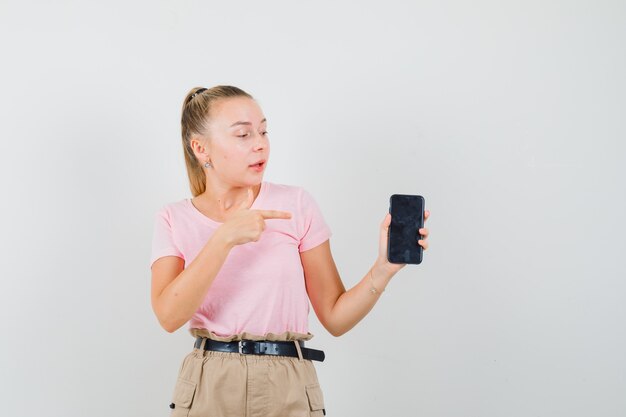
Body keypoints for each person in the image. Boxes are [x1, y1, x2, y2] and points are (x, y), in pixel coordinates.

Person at [150, 85, 430, 417]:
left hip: (288, 383)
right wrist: (223, 239)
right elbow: (168, 316)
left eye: (263, 131)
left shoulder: (295, 204)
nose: (260, 143)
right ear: (201, 149)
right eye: (243, 134)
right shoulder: (174, 218)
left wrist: (382, 269)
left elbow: (336, 318)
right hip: (210, 382)